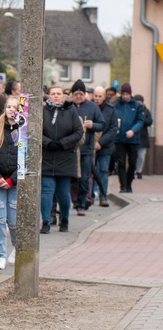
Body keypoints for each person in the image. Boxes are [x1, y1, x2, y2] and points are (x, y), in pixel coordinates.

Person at [40, 86, 83, 233]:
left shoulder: (71, 111)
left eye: (59, 94)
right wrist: (47, 142)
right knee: (46, 190)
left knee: (63, 192)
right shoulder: (43, 111)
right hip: (47, 156)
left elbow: (79, 131)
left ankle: (64, 219)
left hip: (65, 157)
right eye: (53, 94)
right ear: (49, 96)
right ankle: (45, 221)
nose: (56, 96)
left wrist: (63, 143)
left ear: (63, 96)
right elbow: (34, 130)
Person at [0, 96, 20, 269]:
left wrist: (12, 180)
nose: (12, 110)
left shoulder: (23, 131)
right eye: (9, 106)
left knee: (13, 219)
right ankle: (0, 255)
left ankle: (16, 247)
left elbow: (26, 158)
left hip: (14, 181)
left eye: (15, 107)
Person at [69, 80, 104, 215]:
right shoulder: (69, 107)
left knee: (84, 177)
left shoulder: (92, 107)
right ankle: (74, 200)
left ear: (85, 94)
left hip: (87, 148)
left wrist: (92, 125)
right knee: (73, 178)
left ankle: (82, 204)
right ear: (72, 95)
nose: (78, 96)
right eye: (76, 94)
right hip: (71, 149)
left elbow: (102, 124)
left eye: (81, 94)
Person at [114, 83, 145, 193]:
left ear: (130, 94)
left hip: (133, 140)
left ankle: (129, 183)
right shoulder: (116, 105)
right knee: (121, 163)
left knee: (132, 163)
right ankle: (123, 186)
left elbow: (140, 121)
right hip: (120, 139)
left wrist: (133, 130)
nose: (125, 96)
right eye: (124, 94)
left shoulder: (137, 106)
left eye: (127, 94)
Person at [93, 86, 117, 207]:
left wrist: (100, 143)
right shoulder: (90, 107)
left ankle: (103, 196)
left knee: (103, 170)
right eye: (95, 96)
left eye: (100, 96)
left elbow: (113, 129)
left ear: (104, 96)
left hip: (105, 146)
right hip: (89, 146)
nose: (97, 99)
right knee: (90, 171)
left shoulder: (110, 109)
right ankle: (90, 196)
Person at [134, 94, 153, 180]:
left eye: (140, 102)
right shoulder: (132, 110)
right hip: (133, 135)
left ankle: (139, 170)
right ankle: (133, 170)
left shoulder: (146, 111)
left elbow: (149, 121)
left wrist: (142, 119)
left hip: (143, 136)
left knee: (141, 155)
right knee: (133, 155)